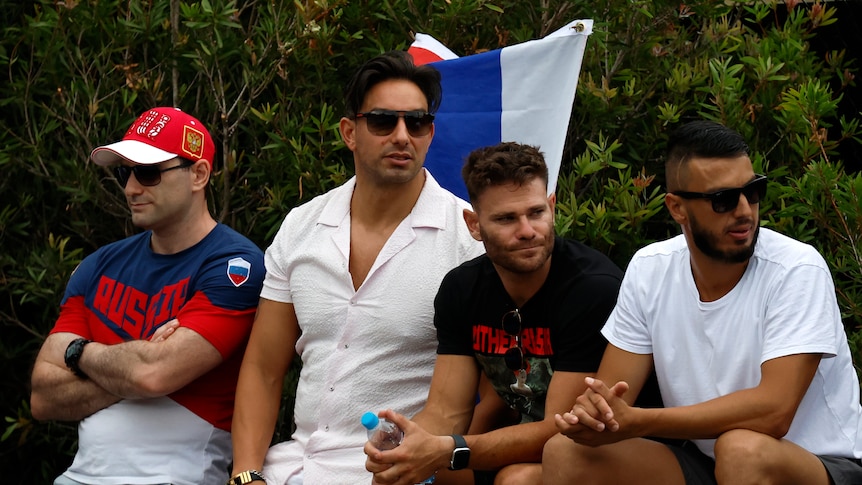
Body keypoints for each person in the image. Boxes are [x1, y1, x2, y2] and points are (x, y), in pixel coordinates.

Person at [543, 120, 862, 485]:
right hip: (710, 462)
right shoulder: (650, 269)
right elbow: (615, 395)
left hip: (819, 464)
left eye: (753, 191)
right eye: (723, 199)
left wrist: (641, 421)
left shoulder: (795, 269)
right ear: (677, 208)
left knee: (742, 451)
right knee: (565, 452)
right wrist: (595, 414)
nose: (744, 210)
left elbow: (775, 412)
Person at [227, 50, 484, 485]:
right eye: (384, 121)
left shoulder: (467, 240)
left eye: (417, 123)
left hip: (397, 472)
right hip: (291, 465)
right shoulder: (301, 225)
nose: (402, 136)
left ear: (430, 133)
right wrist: (246, 474)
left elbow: (491, 395)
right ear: (350, 132)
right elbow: (263, 368)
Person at [364, 142, 659, 485]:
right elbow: (447, 411)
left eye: (536, 213)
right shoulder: (462, 290)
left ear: (552, 207)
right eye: (506, 219)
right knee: (411, 475)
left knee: (516, 481)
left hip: (607, 452)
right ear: (474, 225)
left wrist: (448, 450)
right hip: (524, 442)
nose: (527, 231)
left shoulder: (591, 288)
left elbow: (560, 430)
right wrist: (409, 449)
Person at [29, 107, 265, 485]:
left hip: (174, 477)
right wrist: (132, 370)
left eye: (149, 172)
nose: (131, 188)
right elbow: (42, 396)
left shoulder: (235, 265)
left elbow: (153, 374)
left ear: (199, 174)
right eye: (125, 172)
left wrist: (78, 352)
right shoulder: (98, 265)